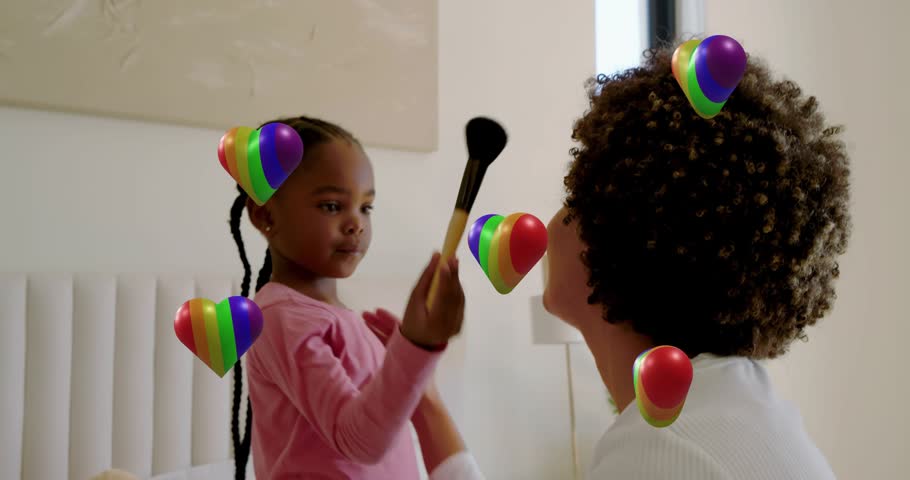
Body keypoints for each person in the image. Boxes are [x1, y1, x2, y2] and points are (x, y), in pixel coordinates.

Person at [410, 43, 851, 479]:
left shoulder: (663, 448)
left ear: (620, 239)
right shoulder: (733, 413)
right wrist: (423, 401)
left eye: (575, 199)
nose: (552, 221)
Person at [226, 116, 466, 479]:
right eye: (332, 206)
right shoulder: (279, 318)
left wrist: (404, 355)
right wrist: (417, 346)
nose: (356, 223)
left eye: (365, 207)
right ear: (265, 216)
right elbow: (360, 442)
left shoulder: (336, 317)